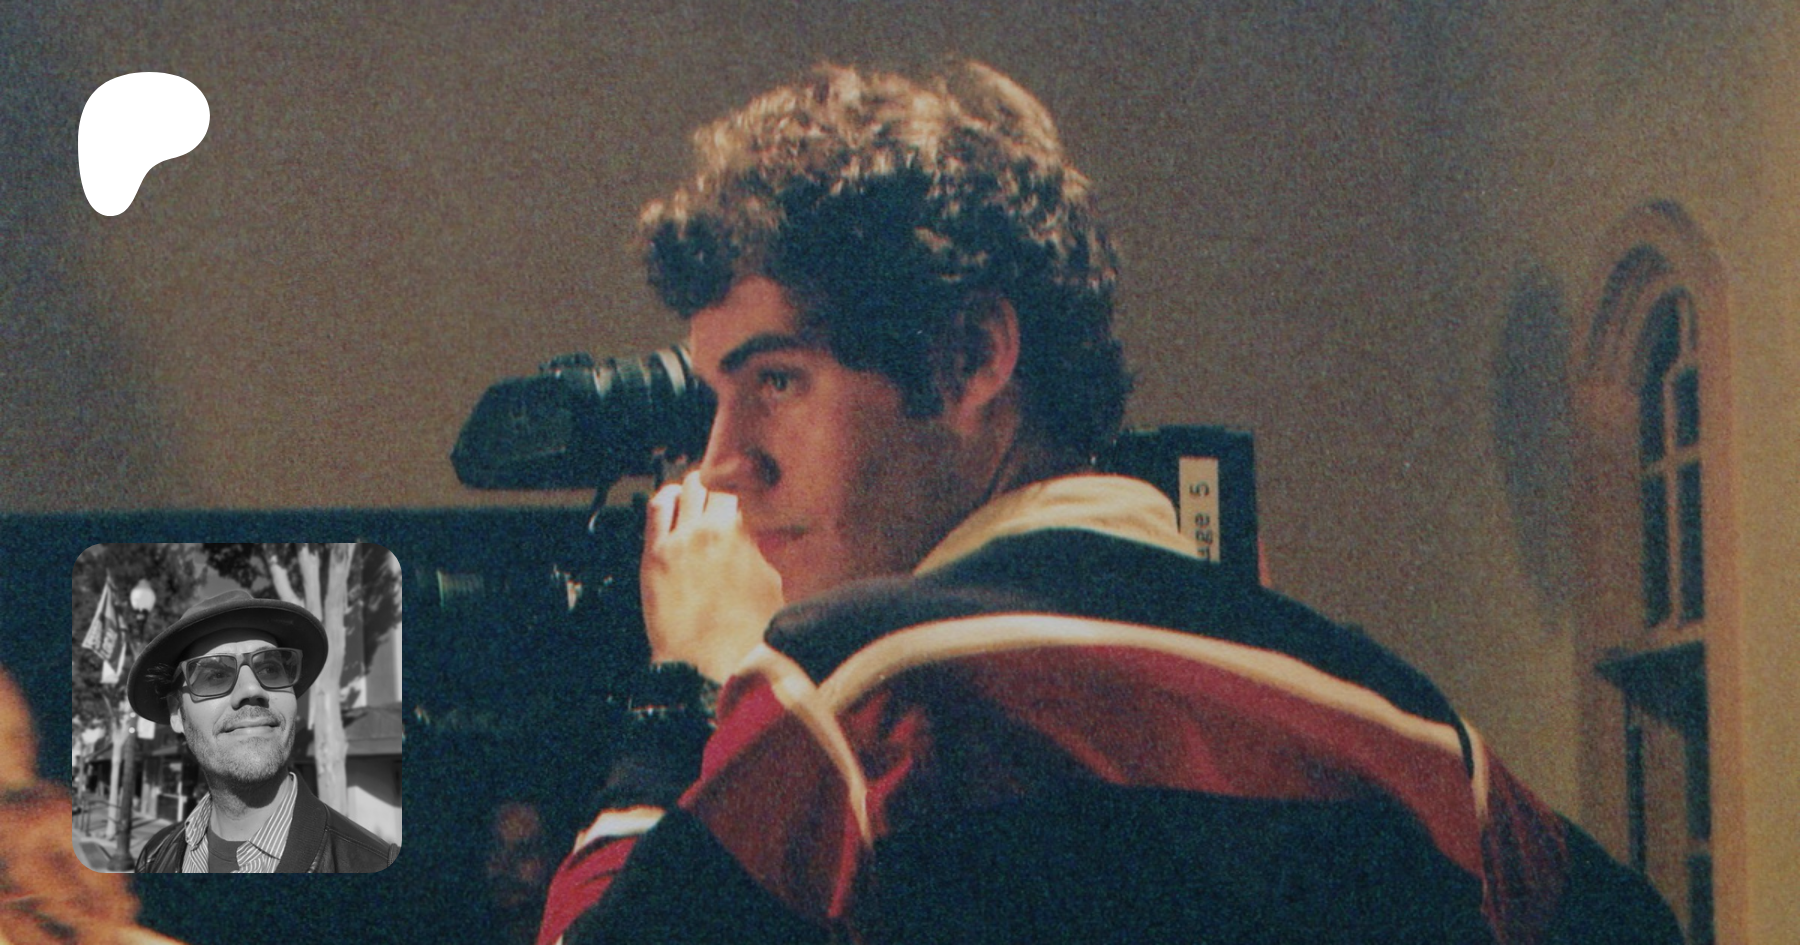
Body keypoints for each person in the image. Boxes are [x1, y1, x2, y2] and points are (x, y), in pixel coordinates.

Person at [539, 62, 1680, 944]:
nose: (724, 460)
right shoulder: (1411, 734)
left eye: (778, 382)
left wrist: (686, 692)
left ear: (973, 356)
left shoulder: (854, 697)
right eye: (717, 396)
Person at [126, 589, 398, 873]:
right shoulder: (154, 858)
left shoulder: (377, 868)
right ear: (176, 713)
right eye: (215, 675)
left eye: (269, 669)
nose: (252, 689)